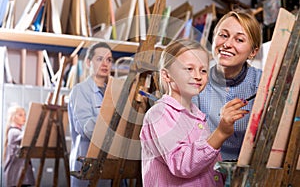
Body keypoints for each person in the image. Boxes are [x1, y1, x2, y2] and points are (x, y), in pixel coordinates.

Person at [139, 39, 250, 186]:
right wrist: (220, 133)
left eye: (203, 70)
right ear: (166, 76)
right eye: (189, 69)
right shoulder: (159, 114)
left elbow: (209, 166)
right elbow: (182, 165)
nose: (198, 76)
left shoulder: (197, 116)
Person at [192, 11, 262, 160]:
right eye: (223, 35)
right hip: (205, 168)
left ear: (253, 51)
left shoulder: (262, 83)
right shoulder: (196, 81)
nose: (227, 44)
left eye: (239, 40)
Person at [68, 42, 113, 187]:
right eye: (100, 59)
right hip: (86, 161)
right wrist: (113, 122)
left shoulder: (113, 92)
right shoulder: (80, 91)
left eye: (109, 60)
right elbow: (86, 128)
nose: (105, 63)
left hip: (107, 164)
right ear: (88, 62)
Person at [3, 105, 35, 187]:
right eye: (20, 115)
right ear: (13, 117)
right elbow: (28, 136)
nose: (24, 117)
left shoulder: (18, 131)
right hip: (16, 176)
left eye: (24, 115)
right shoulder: (14, 132)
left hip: (21, 176)